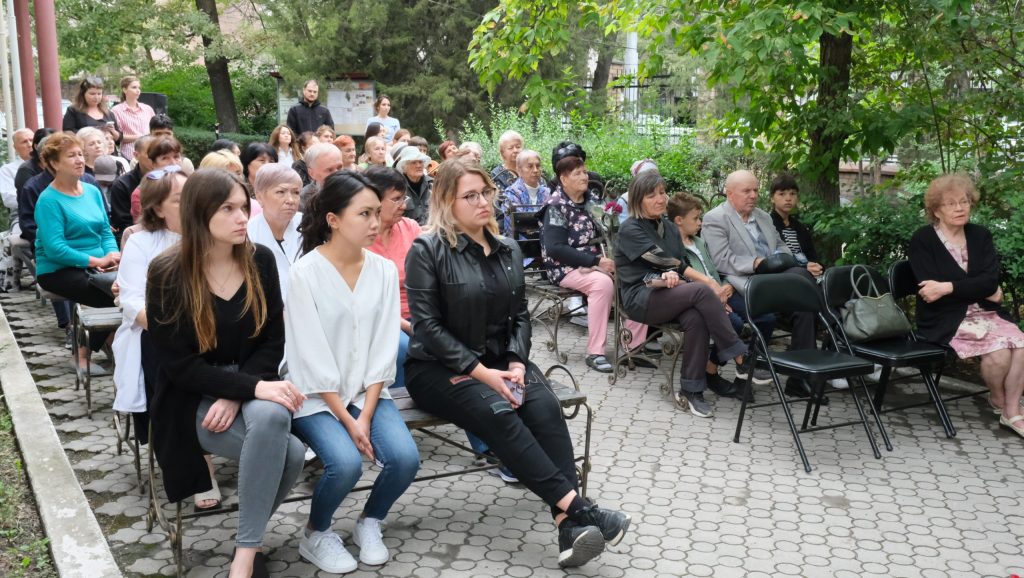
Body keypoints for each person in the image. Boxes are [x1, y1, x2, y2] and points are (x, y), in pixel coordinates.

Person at [404, 159, 631, 568]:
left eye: (486, 193)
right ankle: (583, 510)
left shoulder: (507, 248)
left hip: (503, 362)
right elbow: (428, 328)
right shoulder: (428, 249)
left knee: (544, 408)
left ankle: (568, 526)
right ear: (446, 201)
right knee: (500, 411)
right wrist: (484, 374)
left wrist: (516, 362)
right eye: (470, 196)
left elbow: (521, 316)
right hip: (438, 369)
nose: (482, 202)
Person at [146, 168, 306, 577]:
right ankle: (251, 547)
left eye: (243, 207)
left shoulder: (259, 259)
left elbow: (272, 340)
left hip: (251, 380)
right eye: (228, 209)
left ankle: (243, 557)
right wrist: (246, 388)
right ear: (200, 213)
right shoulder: (167, 272)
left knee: (272, 418)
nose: (242, 217)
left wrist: (240, 391)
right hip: (190, 395)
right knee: (289, 453)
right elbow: (178, 365)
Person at [286, 170, 419, 572]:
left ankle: (370, 521)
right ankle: (316, 532)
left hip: (366, 391)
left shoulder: (381, 270)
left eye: (377, 212)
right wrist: (348, 421)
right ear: (334, 220)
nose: (376, 223)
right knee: (346, 464)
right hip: (315, 395)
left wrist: (365, 413)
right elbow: (309, 355)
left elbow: (383, 347)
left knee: (405, 458)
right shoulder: (305, 273)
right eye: (364, 214)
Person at [111, 166, 229, 509]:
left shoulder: (212, 236)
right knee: (175, 374)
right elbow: (132, 301)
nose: (190, 203)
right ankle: (199, 466)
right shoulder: (142, 242)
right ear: (158, 208)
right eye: (179, 199)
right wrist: (176, 334)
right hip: (160, 334)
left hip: (214, 332)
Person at [614, 171, 751, 417]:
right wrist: (708, 282)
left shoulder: (668, 226)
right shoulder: (629, 229)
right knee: (701, 290)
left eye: (662, 192)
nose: (660, 199)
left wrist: (709, 297)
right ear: (637, 199)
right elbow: (662, 260)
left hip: (672, 292)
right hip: (640, 296)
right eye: (651, 195)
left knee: (696, 318)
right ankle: (739, 355)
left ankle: (691, 390)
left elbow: (678, 264)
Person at [910, 174, 1024, 437]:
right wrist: (981, 287)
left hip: (986, 312)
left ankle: (1011, 410)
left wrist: (948, 287)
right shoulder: (923, 240)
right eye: (951, 204)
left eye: (964, 201)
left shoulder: (980, 235)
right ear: (936, 210)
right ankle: (999, 400)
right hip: (945, 317)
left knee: (1021, 345)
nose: (960, 208)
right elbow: (929, 291)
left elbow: (988, 280)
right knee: (999, 354)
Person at [702, 169, 827, 404]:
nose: (753, 195)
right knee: (774, 313)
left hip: (776, 279)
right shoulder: (715, 218)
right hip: (745, 283)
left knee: (805, 308)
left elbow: (781, 245)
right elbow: (721, 260)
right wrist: (756, 263)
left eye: (756, 190)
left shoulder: (763, 217)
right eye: (746, 191)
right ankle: (742, 374)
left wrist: (785, 259)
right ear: (730, 193)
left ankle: (799, 377)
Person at [539, 155, 647, 373]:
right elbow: (555, 248)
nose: (584, 177)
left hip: (601, 260)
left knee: (641, 277)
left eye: (585, 172)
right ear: (564, 179)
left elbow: (611, 229)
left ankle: (632, 347)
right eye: (577, 173)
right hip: (565, 267)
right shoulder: (556, 206)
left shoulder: (593, 200)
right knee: (602, 284)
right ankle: (595, 352)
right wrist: (595, 261)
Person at [667, 192, 774, 396]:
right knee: (733, 323)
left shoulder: (699, 242)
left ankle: (746, 368)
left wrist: (727, 286)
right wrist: (714, 296)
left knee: (765, 318)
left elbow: (716, 270)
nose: (700, 223)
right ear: (679, 220)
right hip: (701, 298)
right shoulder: (674, 248)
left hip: (722, 292)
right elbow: (685, 281)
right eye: (696, 219)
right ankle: (714, 370)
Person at [33, 133, 119, 374]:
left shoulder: (92, 191)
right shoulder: (48, 200)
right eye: (71, 156)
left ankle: (116, 344)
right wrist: (97, 260)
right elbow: (55, 249)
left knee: (130, 288)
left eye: (81, 154)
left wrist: (113, 255)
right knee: (110, 297)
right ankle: (81, 355)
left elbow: (105, 230)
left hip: (95, 264)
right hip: (57, 269)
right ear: (54, 163)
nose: (80, 160)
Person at [365, 167, 420, 389]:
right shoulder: (361, 236)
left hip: (419, 314)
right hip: (380, 320)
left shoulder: (411, 228)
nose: (403, 205)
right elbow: (366, 300)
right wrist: (407, 326)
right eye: (396, 199)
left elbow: (429, 281)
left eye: (403, 198)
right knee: (403, 348)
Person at [247, 164, 303, 301]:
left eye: (296, 192)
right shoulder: (248, 233)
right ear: (259, 197)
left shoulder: (308, 225)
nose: (290, 200)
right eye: (280, 192)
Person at [769, 174, 823, 277]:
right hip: (782, 276)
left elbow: (812, 256)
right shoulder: (767, 225)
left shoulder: (800, 228)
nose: (788, 198)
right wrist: (804, 268)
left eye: (792, 194)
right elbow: (773, 260)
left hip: (807, 274)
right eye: (782, 194)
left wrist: (816, 267)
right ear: (772, 198)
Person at [109, 136, 154, 241]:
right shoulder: (122, 185)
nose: (154, 157)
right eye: (150, 153)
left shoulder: (170, 179)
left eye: (158, 153)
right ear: (136, 155)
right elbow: (123, 224)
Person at [130, 137, 185, 223]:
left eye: (176, 157)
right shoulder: (140, 194)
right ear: (153, 163)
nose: (173, 163)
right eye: (165, 158)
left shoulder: (191, 185)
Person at [499, 149, 550, 235]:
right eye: (530, 166)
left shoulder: (547, 192)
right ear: (519, 170)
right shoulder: (511, 193)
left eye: (538, 166)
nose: (535, 170)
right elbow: (518, 225)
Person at [62, 76, 121, 142]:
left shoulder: (109, 113)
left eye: (99, 94)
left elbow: (118, 139)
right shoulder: (73, 111)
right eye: (92, 94)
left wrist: (113, 131)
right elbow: (67, 132)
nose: (96, 97)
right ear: (83, 94)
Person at [110, 75, 155, 160]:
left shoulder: (147, 109)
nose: (138, 90)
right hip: (129, 156)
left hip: (150, 154)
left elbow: (155, 130)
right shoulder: (116, 110)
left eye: (139, 87)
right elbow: (118, 137)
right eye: (134, 87)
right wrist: (141, 136)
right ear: (124, 90)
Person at [1, 128, 34, 232]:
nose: (30, 144)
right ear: (15, 147)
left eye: (32, 140)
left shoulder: (50, 165)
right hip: (22, 214)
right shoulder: (7, 170)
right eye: (24, 142)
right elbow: (8, 199)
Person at [299, 143, 344, 211]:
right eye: (330, 170)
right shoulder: (303, 199)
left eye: (339, 167)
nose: (337, 173)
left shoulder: (353, 190)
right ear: (312, 173)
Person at [394, 145, 433, 226]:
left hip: (432, 231)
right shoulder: (397, 188)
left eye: (420, 162)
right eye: (413, 162)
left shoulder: (432, 184)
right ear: (404, 167)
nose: (418, 165)